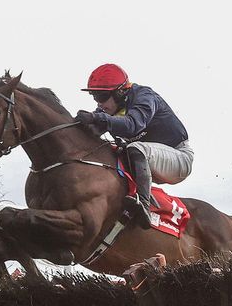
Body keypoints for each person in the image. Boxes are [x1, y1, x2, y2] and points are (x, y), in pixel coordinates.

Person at [75, 63, 193, 228]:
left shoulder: (145, 96)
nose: (99, 103)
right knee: (109, 149)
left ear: (120, 92)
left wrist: (96, 118)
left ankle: (143, 206)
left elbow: (133, 124)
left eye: (102, 97)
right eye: (95, 97)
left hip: (179, 157)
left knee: (135, 148)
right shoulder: (108, 110)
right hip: (148, 160)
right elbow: (90, 133)